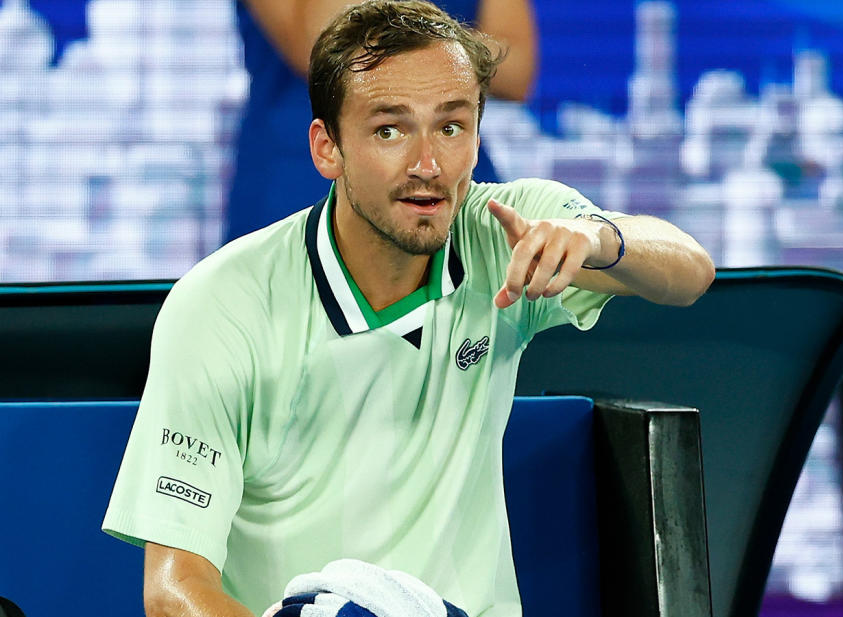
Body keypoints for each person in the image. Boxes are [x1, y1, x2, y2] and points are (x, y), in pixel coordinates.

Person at [102, 2, 715, 616]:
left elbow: (690, 271)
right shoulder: (222, 303)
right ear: (327, 148)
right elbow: (172, 590)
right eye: (389, 130)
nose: (427, 166)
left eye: (451, 127)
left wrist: (597, 239)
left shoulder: (504, 230)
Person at [226, 0, 536, 242]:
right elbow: (324, 40)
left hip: (447, 189)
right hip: (301, 182)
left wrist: (416, 41)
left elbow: (516, 68)